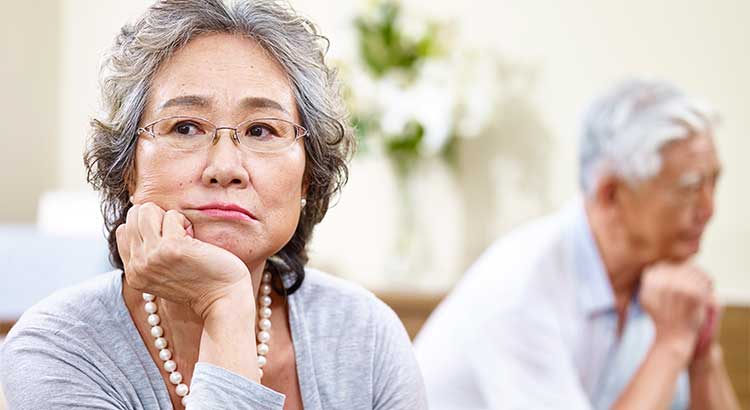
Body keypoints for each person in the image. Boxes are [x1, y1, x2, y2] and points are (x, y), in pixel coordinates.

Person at [0, 1, 427, 409]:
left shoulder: (367, 336)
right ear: (128, 168)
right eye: (186, 127)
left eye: (261, 130)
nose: (225, 168)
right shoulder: (58, 348)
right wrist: (226, 305)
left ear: (309, 174)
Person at [414, 79, 740, 409]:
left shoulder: (663, 287)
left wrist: (702, 357)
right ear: (610, 194)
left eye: (714, 182)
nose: (709, 209)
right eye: (690, 188)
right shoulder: (520, 290)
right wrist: (671, 344)